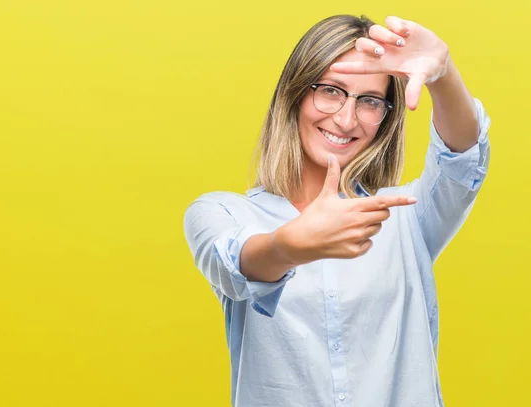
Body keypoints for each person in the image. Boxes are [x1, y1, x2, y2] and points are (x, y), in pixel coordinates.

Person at [183, 14, 490, 407]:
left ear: (385, 116)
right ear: (294, 93)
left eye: (369, 100)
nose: (346, 119)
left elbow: (462, 160)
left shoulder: (405, 217)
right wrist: (289, 245)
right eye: (330, 90)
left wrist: (442, 74)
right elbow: (236, 266)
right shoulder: (221, 212)